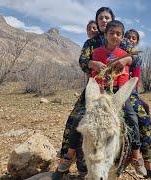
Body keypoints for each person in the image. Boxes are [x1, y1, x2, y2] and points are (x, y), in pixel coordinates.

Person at [57, 7, 144, 176]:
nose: (104, 20)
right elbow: (83, 61)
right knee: (76, 117)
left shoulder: (123, 41)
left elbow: (137, 58)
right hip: (96, 88)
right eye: (101, 18)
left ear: (112, 21)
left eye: (107, 17)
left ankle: (140, 157)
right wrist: (92, 64)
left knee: (138, 117)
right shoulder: (91, 44)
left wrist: (127, 59)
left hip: (119, 89)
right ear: (97, 22)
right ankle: (69, 155)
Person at [125, 29, 151, 179]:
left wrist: (128, 92)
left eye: (134, 38)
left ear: (137, 42)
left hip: (129, 93)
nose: (131, 40)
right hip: (111, 91)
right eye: (128, 37)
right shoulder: (116, 52)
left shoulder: (137, 58)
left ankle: (148, 163)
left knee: (144, 117)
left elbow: (136, 80)